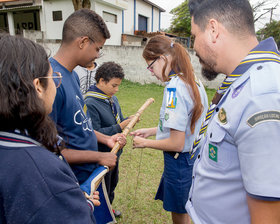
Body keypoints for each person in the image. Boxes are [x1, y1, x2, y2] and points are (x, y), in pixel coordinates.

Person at [186, 0, 280, 223]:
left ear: (213, 30)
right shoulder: (242, 83)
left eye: (194, 36)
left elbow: (267, 216)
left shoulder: (261, 96)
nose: (193, 47)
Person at [0, 34, 99, 224]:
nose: (55, 83)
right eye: (53, 77)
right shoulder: (41, 174)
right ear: (38, 86)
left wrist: (71, 198)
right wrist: (77, 203)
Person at [130, 35, 208, 224]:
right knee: (185, 206)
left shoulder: (174, 88)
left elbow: (176, 143)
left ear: (163, 59)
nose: (151, 72)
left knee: (179, 211)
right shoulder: (192, 81)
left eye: (151, 66)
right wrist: (151, 131)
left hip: (180, 161)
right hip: (193, 157)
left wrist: (145, 143)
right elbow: (183, 126)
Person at [49, 9, 126, 185]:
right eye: (98, 48)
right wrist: (98, 156)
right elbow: (51, 152)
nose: (98, 54)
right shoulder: (52, 82)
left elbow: (80, 125)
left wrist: (105, 139)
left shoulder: (73, 75)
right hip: (71, 180)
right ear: (83, 42)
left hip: (87, 175)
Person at [84, 61, 133, 217]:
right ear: (101, 81)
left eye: (118, 85)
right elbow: (93, 133)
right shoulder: (90, 102)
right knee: (101, 188)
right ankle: (98, 215)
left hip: (114, 154)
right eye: (114, 85)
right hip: (101, 155)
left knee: (112, 184)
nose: (117, 89)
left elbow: (117, 121)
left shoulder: (112, 99)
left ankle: (108, 208)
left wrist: (128, 121)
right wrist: (120, 127)